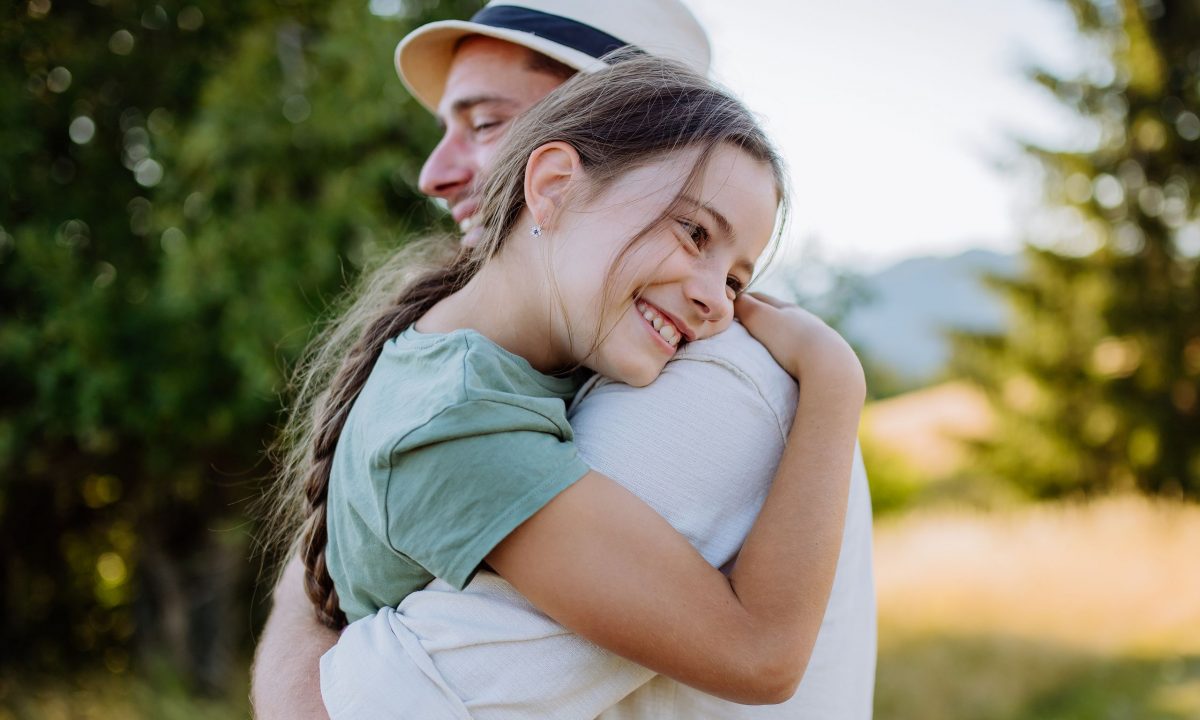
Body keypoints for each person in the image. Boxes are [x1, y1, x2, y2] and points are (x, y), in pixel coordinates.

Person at [252, 3, 876, 718]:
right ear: (553, 183)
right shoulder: (458, 418)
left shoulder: (702, 387)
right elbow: (759, 653)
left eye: (485, 122)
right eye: (693, 231)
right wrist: (835, 377)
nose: (721, 306)